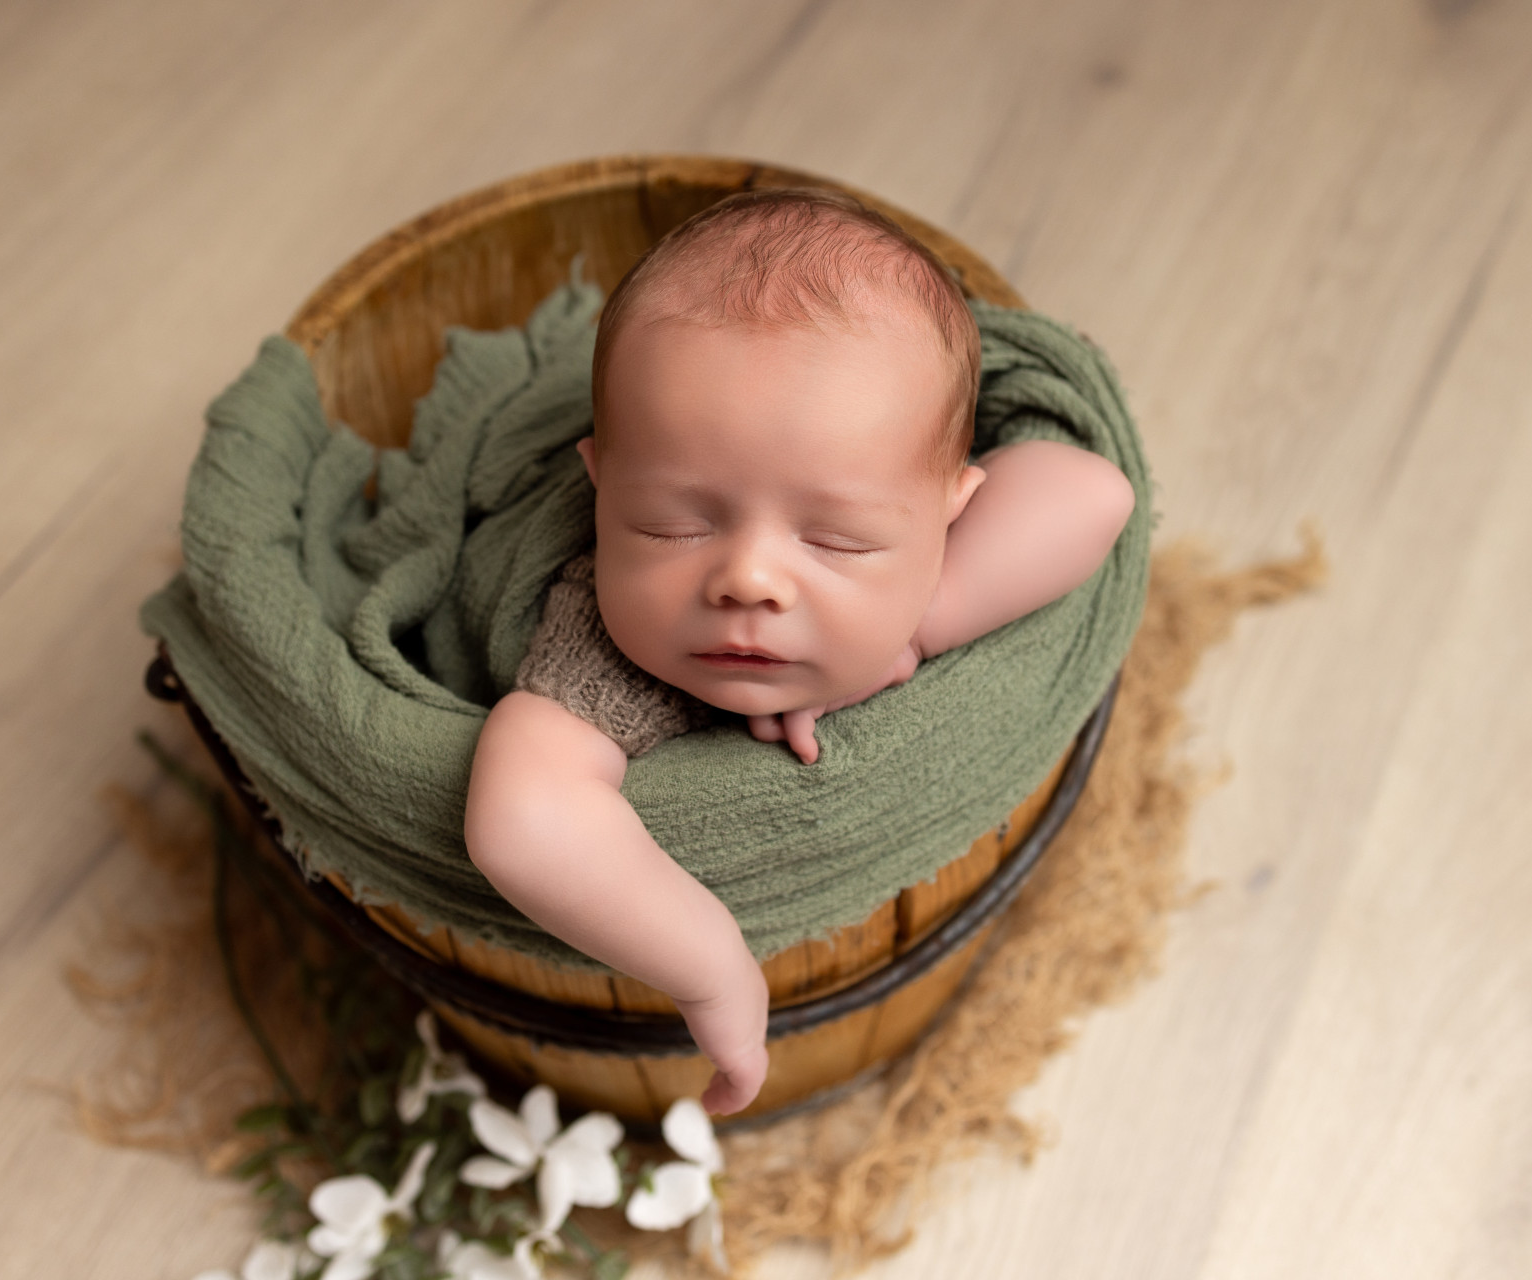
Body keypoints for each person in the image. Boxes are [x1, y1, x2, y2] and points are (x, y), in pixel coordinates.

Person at [463, 189, 1135, 1114]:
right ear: (599, 483)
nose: (748, 580)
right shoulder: (601, 655)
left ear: (951, 508)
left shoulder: (926, 572)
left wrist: (921, 622)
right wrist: (710, 968)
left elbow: (1093, 494)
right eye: (666, 525)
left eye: (839, 542)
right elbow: (524, 819)